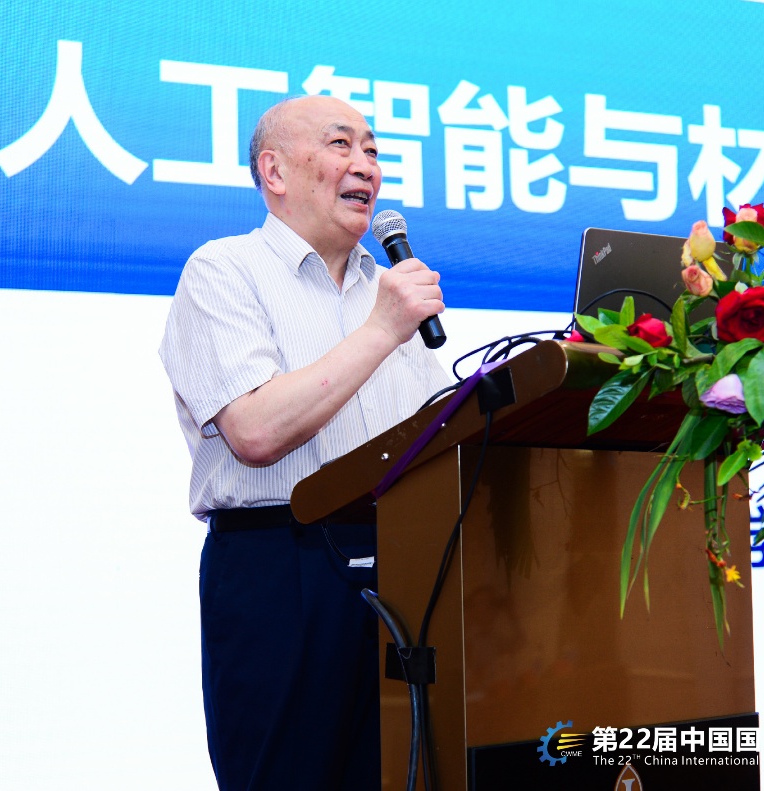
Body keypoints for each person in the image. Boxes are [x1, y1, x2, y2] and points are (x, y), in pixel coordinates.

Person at [159, 95, 449, 791]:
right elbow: (254, 429)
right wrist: (382, 330)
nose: (366, 166)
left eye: (373, 150)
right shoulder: (225, 270)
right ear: (275, 171)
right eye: (341, 145)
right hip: (280, 570)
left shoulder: (388, 290)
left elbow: (439, 434)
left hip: (406, 572)